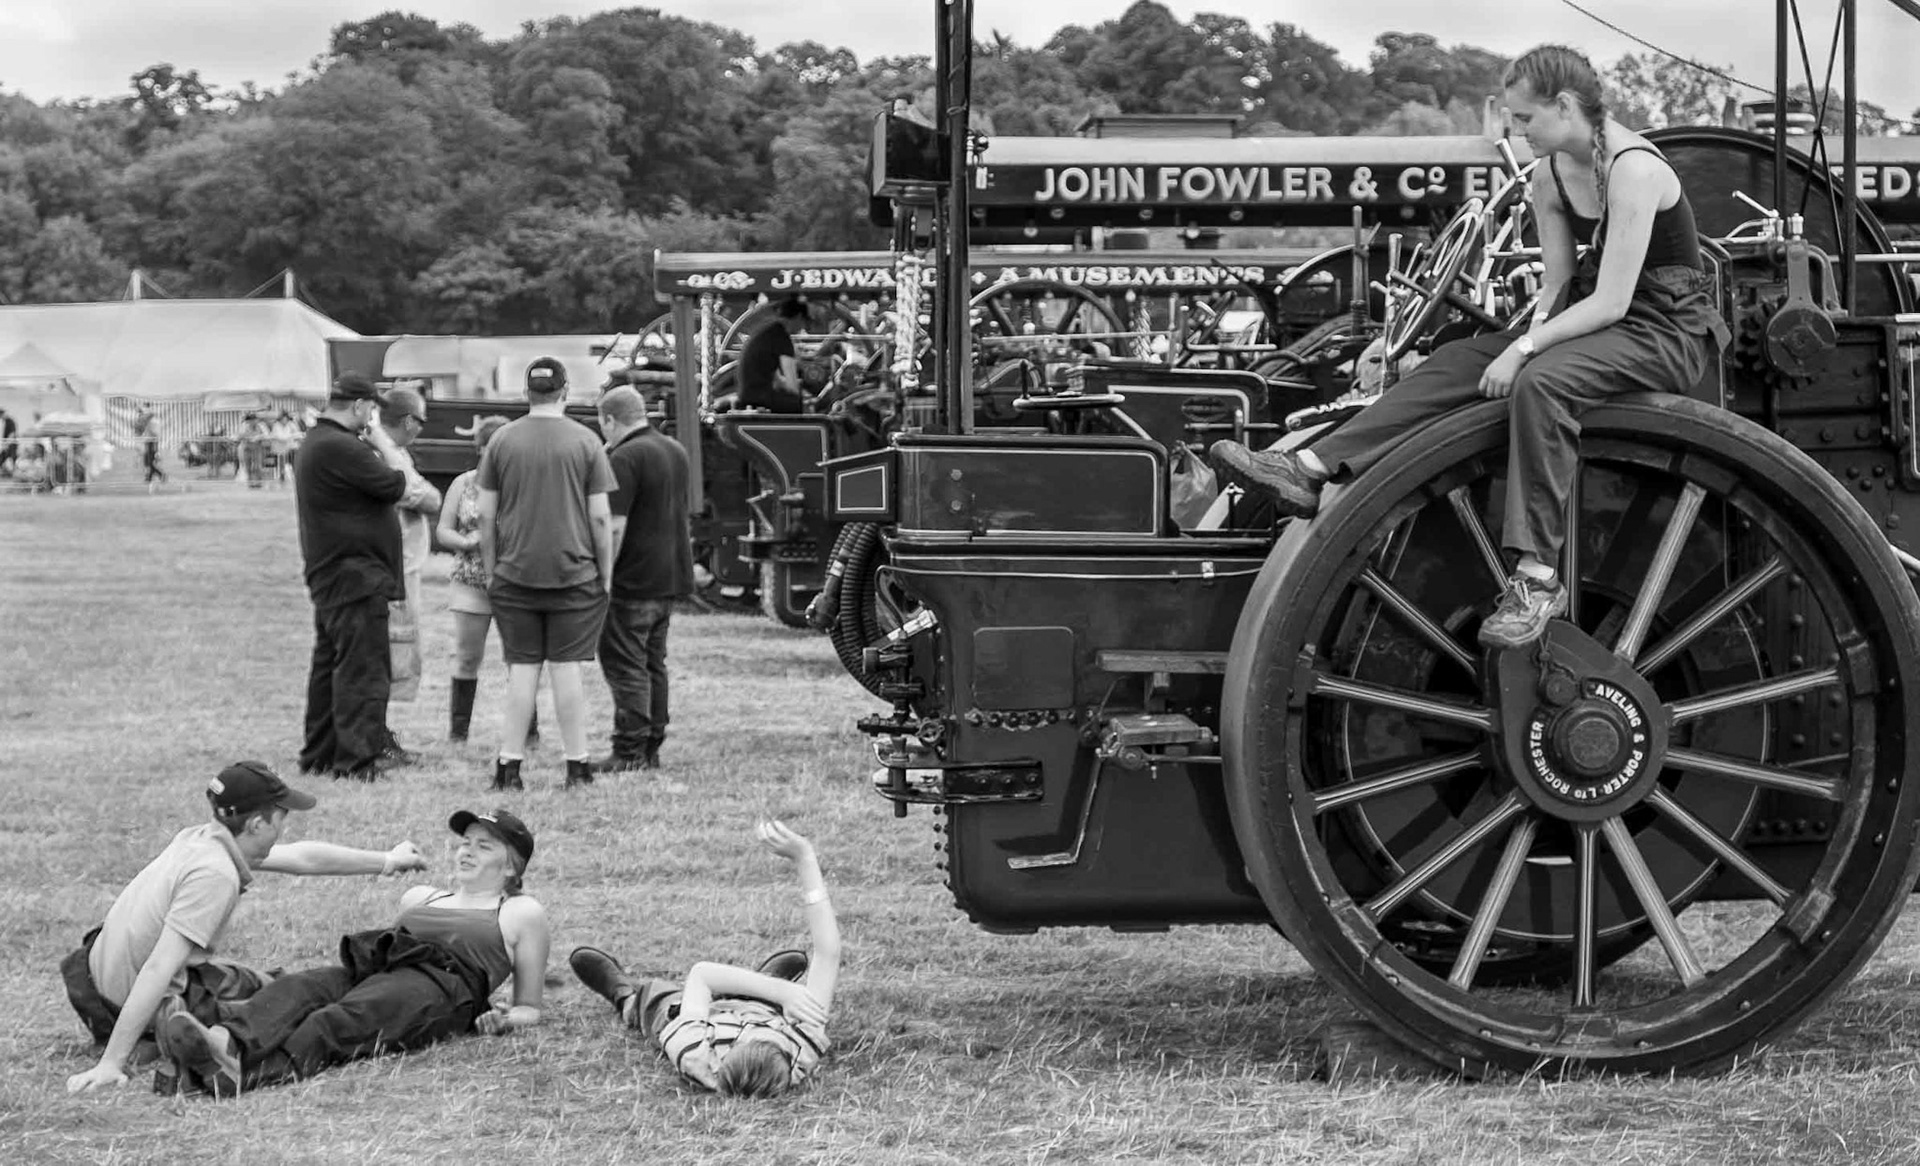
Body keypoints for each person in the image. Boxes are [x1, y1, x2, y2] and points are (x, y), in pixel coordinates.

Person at [1209, 44, 1728, 650]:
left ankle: (1537, 579)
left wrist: (1526, 351)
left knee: (1542, 381)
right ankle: (1308, 469)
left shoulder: (1635, 169)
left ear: (1564, 107)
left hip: (1663, 332)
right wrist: (1516, 342)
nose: (1516, 130)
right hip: (1596, 323)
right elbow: (1559, 287)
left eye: (1525, 118)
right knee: (1458, 359)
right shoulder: (1549, 174)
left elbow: (1612, 301)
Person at [62, 762, 426, 1094]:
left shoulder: (201, 839)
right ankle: (163, 1033)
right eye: (281, 819)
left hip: (94, 989)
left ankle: (154, 1036)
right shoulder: (214, 875)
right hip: (137, 997)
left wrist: (387, 860)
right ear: (256, 824)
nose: (283, 828)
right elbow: (160, 967)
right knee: (296, 1000)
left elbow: (302, 857)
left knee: (264, 982)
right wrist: (110, 1064)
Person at [164, 808, 548, 1097]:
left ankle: (235, 1076)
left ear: (512, 867)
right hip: (385, 966)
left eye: (484, 846)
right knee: (300, 989)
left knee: (338, 1019)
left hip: (442, 988)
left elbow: (529, 1007)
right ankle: (225, 1043)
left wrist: (507, 1019)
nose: (467, 851)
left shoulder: (519, 911)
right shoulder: (422, 896)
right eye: (466, 842)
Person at [570, 820, 840, 1098]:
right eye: (773, 1032)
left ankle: (624, 996)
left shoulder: (692, 1052)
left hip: (690, 1017)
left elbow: (701, 975)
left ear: (725, 1053)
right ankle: (758, 987)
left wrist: (781, 992)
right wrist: (805, 857)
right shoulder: (800, 1047)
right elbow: (828, 953)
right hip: (762, 1008)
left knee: (659, 1001)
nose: (747, 1026)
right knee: (768, 1003)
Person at [477, 357, 615, 792]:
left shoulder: (501, 440)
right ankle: (577, 765)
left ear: (526, 393)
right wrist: (605, 572)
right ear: (565, 391)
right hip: (574, 573)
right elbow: (599, 519)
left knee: (522, 671)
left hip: (513, 572)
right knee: (566, 671)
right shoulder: (586, 441)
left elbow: (485, 515)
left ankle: (509, 766)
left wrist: (490, 568)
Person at [294, 373, 435, 781]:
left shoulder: (319, 443)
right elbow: (397, 484)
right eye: (370, 410)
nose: (372, 418)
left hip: (335, 571)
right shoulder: (343, 447)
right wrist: (384, 445)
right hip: (356, 574)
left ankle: (319, 754)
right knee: (362, 670)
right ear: (358, 407)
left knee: (330, 667)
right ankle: (356, 761)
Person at [592, 387, 693, 772]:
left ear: (610, 420)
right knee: (653, 663)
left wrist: (604, 575)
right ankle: (651, 745)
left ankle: (628, 750)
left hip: (633, 578)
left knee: (625, 663)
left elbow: (613, 526)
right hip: (668, 575)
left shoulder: (625, 456)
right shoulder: (673, 449)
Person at [437, 415, 510, 743]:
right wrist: (465, 542)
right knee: (467, 656)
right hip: (470, 581)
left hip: (511, 583)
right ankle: (458, 731)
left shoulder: (519, 483)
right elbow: (443, 530)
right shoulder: (463, 483)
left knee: (520, 659)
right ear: (480, 449)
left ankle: (528, 729)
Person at [376, 387, 442, 711]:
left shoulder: (393, 451)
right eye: (421, 420)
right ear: (407, 420)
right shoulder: (383, 452)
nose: (421, 428)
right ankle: (381, 729)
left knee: (402, 642)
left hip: (404, 563)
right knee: (396, 644)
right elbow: (426, 497)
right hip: (395, 565)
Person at [735, 297, 810, 413]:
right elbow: (792, 387)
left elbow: (778, 379)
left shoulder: (769, 331)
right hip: (758, 396)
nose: (803, 327)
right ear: (799, 317)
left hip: (747, 393)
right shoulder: (783, 339)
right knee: (797, 404)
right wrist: (806, 395)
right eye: (804, 321)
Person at [133, 405, 167, 492]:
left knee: (149, 462)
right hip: (149, 442)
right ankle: (149, 477)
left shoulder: (153, 422)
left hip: (152, 443)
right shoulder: (149, 421)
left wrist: (149, 431)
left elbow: (156, 433)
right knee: (147, 461)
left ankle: (161, 475)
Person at [239, 412, 270, 489]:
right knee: (247, 466)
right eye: (249, 420)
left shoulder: (261, 425)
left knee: (257, 466)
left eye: (253, 419)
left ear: (256, 420)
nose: (251, 422)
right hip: (246, 448)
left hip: (257, 447)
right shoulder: (244, 425)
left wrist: (259, 437)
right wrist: (245, 437)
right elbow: (240, 434)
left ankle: (258, 483)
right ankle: (250, 483)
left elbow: (267, 434)